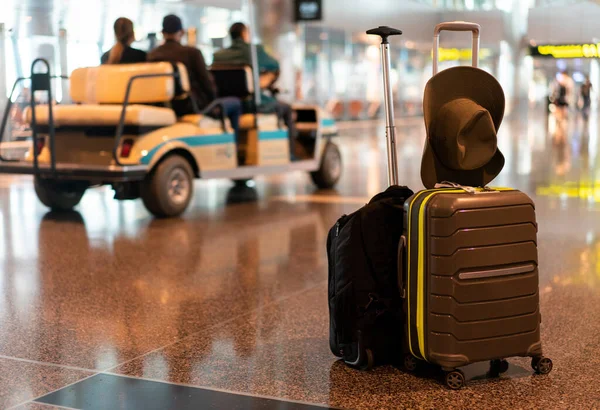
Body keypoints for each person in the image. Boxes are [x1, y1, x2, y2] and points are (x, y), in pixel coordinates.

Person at [147, 15, 242, 138]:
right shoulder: (192, 53)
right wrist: (214, 101)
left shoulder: (152, 55)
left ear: (162, 32)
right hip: (192, 107)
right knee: (236, 103)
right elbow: (207, 84)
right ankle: (235, 148)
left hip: (165, 106)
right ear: (182, 32)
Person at [213, 22, 296, 160]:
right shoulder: (253, 51)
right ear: (244, 34)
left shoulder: (219, 56)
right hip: (251, 103)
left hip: (230, 104)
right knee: (286, 108)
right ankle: (291, 153)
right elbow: (274, 65)